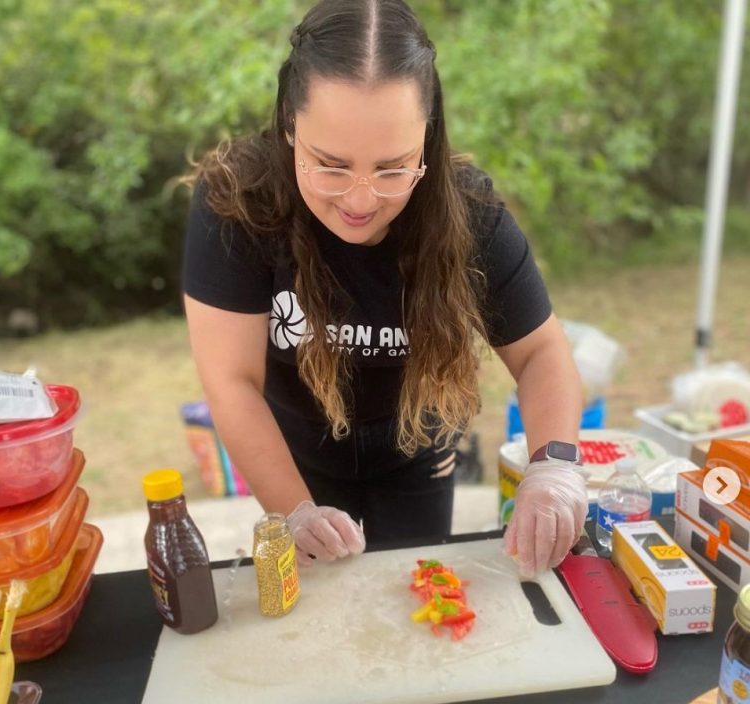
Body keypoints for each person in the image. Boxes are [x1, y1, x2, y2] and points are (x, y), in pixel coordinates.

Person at [182, 0, 587, 578]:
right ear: (290, 125)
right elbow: (231, 379)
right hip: (294, 451)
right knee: (325, 610)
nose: (360, 200)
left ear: (427, 138)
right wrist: (293, 510)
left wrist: (554, 466)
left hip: (417, 451)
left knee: (418, 591)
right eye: (331, 164)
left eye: (394, 168)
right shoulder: (239, 204)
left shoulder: (470, 214)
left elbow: (542, 352)